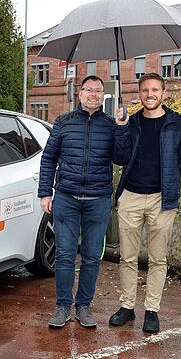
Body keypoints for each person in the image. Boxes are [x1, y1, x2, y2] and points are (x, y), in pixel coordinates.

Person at [39, 75, 131, 329]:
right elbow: (49, 159)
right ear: (79, 93)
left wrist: (123, 128)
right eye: (89, 89)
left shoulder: (112, 124)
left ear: (104, 96)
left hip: (98, 200)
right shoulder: (63, 122)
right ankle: (62, 306)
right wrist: (45, 192)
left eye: (98, 91)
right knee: (66, 255)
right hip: (66, 198)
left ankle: (84, 306)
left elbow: (122, 158)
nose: (93, 94)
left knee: (91, 257)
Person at [108, 73, 181, 333]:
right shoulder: (131, 123)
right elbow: (120, 158)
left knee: (158, 258)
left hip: (162, 199)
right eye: (145, 90)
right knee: (127, 257)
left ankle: (152, 311)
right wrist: (121, 128)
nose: (150, 94)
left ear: (163, 93)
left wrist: (166, 183)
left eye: (155, 90)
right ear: (140, 93)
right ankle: (127, 306)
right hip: (131, 196)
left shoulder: (179, 125)